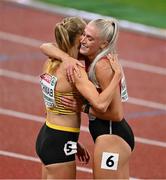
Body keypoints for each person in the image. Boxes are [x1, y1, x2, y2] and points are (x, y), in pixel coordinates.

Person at [40, 18, 135, 179]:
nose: (83, 40)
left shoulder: (102, 65)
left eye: (89, 38)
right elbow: (45, 46)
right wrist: (67, 58)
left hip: (111, 136)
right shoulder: (83, 59)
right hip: (94, 135)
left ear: (104, 44)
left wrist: (82, 108)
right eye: (83, 35)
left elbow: (117, 115)